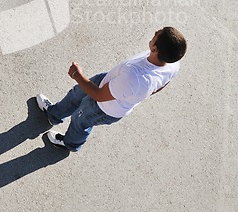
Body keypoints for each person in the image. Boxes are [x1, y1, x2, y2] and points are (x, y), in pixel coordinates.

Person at [36, 27, 187, 152]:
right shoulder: (172, 64)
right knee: (77, 93)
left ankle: (70, 143)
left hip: (104, 107)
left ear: (155, 48)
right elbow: (160, 86)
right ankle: (54, 115)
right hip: (112, 82)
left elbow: (99, 96)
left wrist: (77, 75)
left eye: (157, 34)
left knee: (80, 121)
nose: (155, 32)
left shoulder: (135, 78)